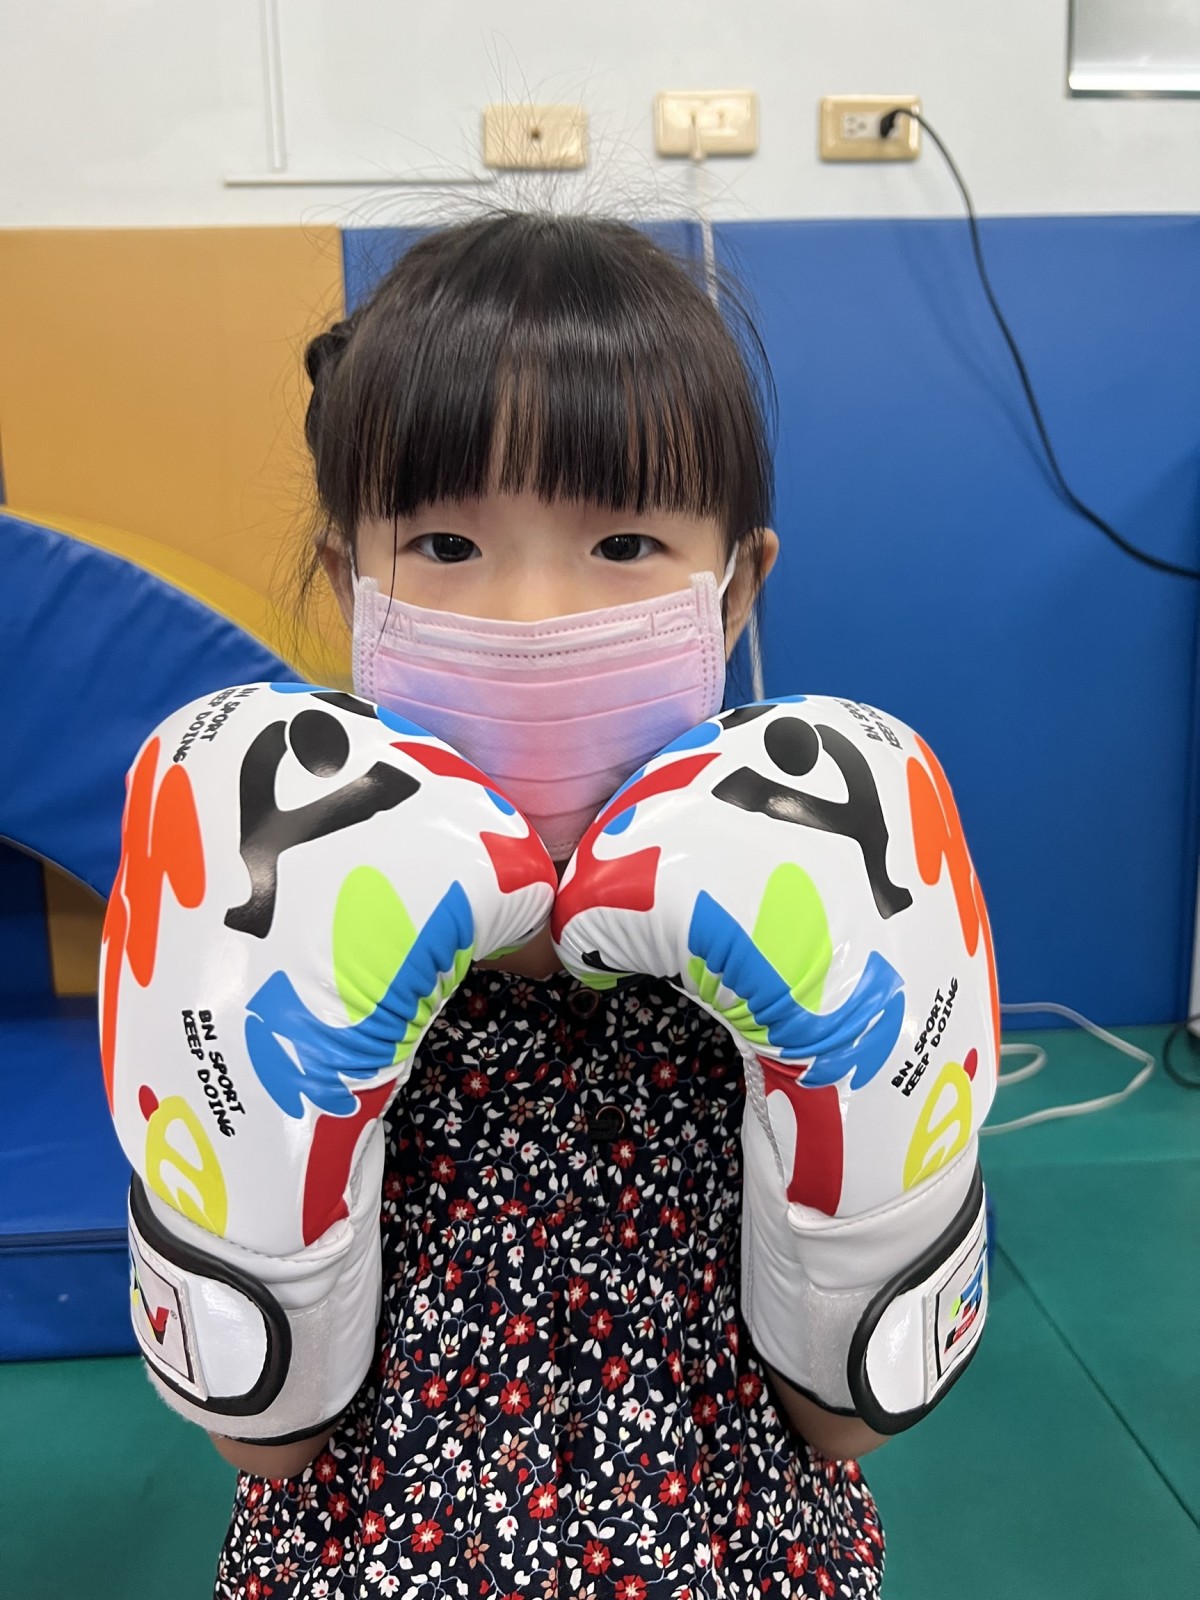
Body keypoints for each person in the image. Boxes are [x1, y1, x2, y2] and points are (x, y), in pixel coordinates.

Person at [107, 212, 975, 1599]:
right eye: (446, 542)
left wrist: (857, 1117)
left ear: (735, 588)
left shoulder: (815, 889)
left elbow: (849, 1419)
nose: (530, 616)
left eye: (623, 540)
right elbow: (261, 1438)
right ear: (349, 585)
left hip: (739, 1554)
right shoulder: (279, 898)